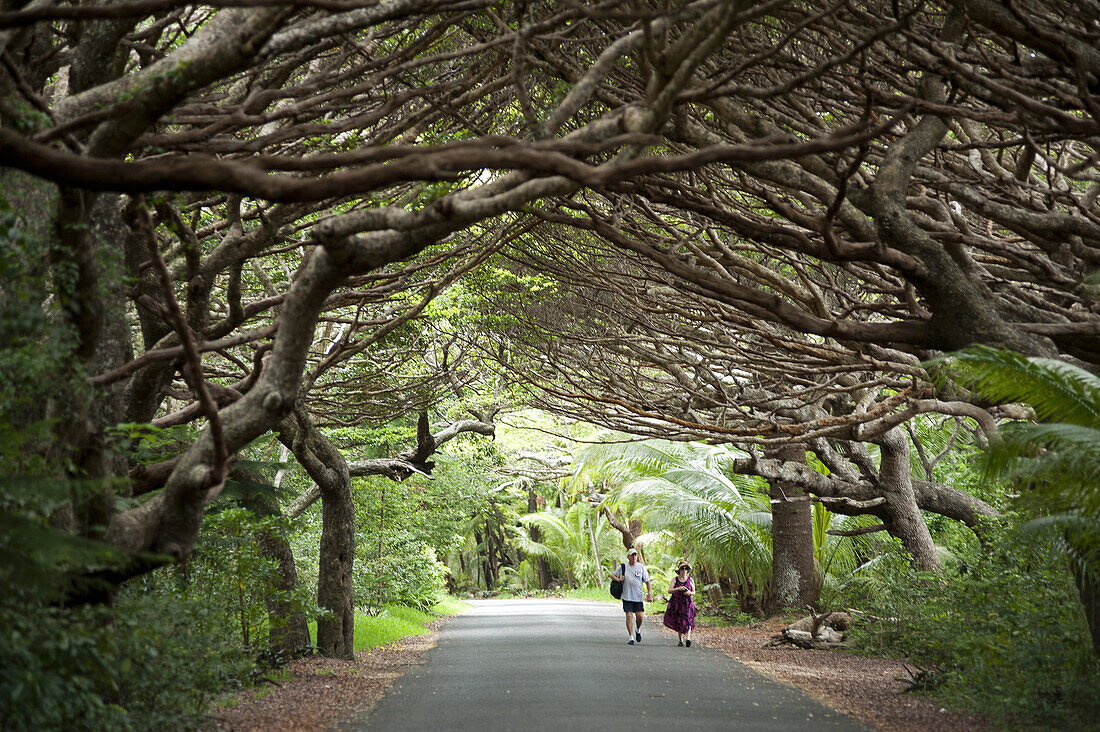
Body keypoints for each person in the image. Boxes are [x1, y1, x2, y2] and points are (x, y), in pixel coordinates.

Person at [610, 548, 651, 645]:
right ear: (628, 557)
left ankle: (638, 630)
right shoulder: (623, 567)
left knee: (639, 616)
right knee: (629, 615)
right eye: (632, 555)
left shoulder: (641, 567)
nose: (634, 557)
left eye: (635, 555)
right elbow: (612, 575)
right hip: (627, 596)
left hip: (638, 597)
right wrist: (619, 579)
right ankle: (631, 636)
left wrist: (649, 594)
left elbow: (647, 581)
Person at [662, 561, 697, 647]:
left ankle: (688, 639)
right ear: (679, 570)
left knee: (688, 619)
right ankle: (680, 640)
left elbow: (694, 592)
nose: (684, 570)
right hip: (677, 602)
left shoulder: (690, 580)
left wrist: (689, 593)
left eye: (686, 569)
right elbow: (669, 590)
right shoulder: (675, 579)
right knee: (679, 620)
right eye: (682, 568)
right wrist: (679, 588)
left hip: (687, 603)